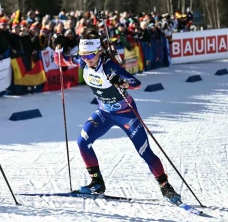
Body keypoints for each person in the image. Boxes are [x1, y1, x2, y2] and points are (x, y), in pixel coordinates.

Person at [52, 27, 181, 204]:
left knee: (144, 151)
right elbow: (61, 60)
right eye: (83, 55)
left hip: (125, 113)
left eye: (89, 56)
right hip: (105, 112)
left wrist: (121, 82)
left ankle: (165, 186)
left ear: (98, 52)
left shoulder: (109, 65)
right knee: (83, 141)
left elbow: (136, 83)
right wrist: (58, 46)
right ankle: (97, 183)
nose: (85, 59)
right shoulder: (84, 62)